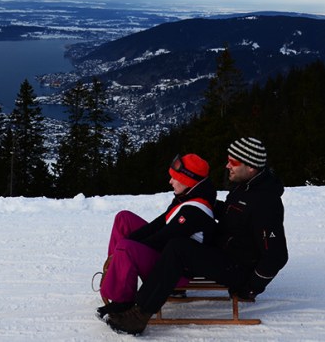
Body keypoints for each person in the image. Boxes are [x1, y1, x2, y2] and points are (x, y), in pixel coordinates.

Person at [105, 137, 288, 335]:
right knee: (176, 242)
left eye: (233, 162)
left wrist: (251, 288)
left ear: (251, 167)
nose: (227, 165)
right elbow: (234, 212)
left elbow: (276, 255)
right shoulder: (245, 187)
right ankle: (133, 283)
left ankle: (139, 316)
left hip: (236, 267)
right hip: (221, 250)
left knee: (178, 247)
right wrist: (203, 201)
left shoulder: (266, 203)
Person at [96, 153, 217, 319]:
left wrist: (125, 247)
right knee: (124, 219)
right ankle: (115, 272)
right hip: (167, 253)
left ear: (188, 181)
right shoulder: (186, 196)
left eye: (175, 178)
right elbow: (158, 224)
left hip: (174, 271)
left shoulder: (194, 211)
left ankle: (122, 299)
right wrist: (125, 244)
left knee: (127, 248)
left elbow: (161, 239)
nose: (170, 182)